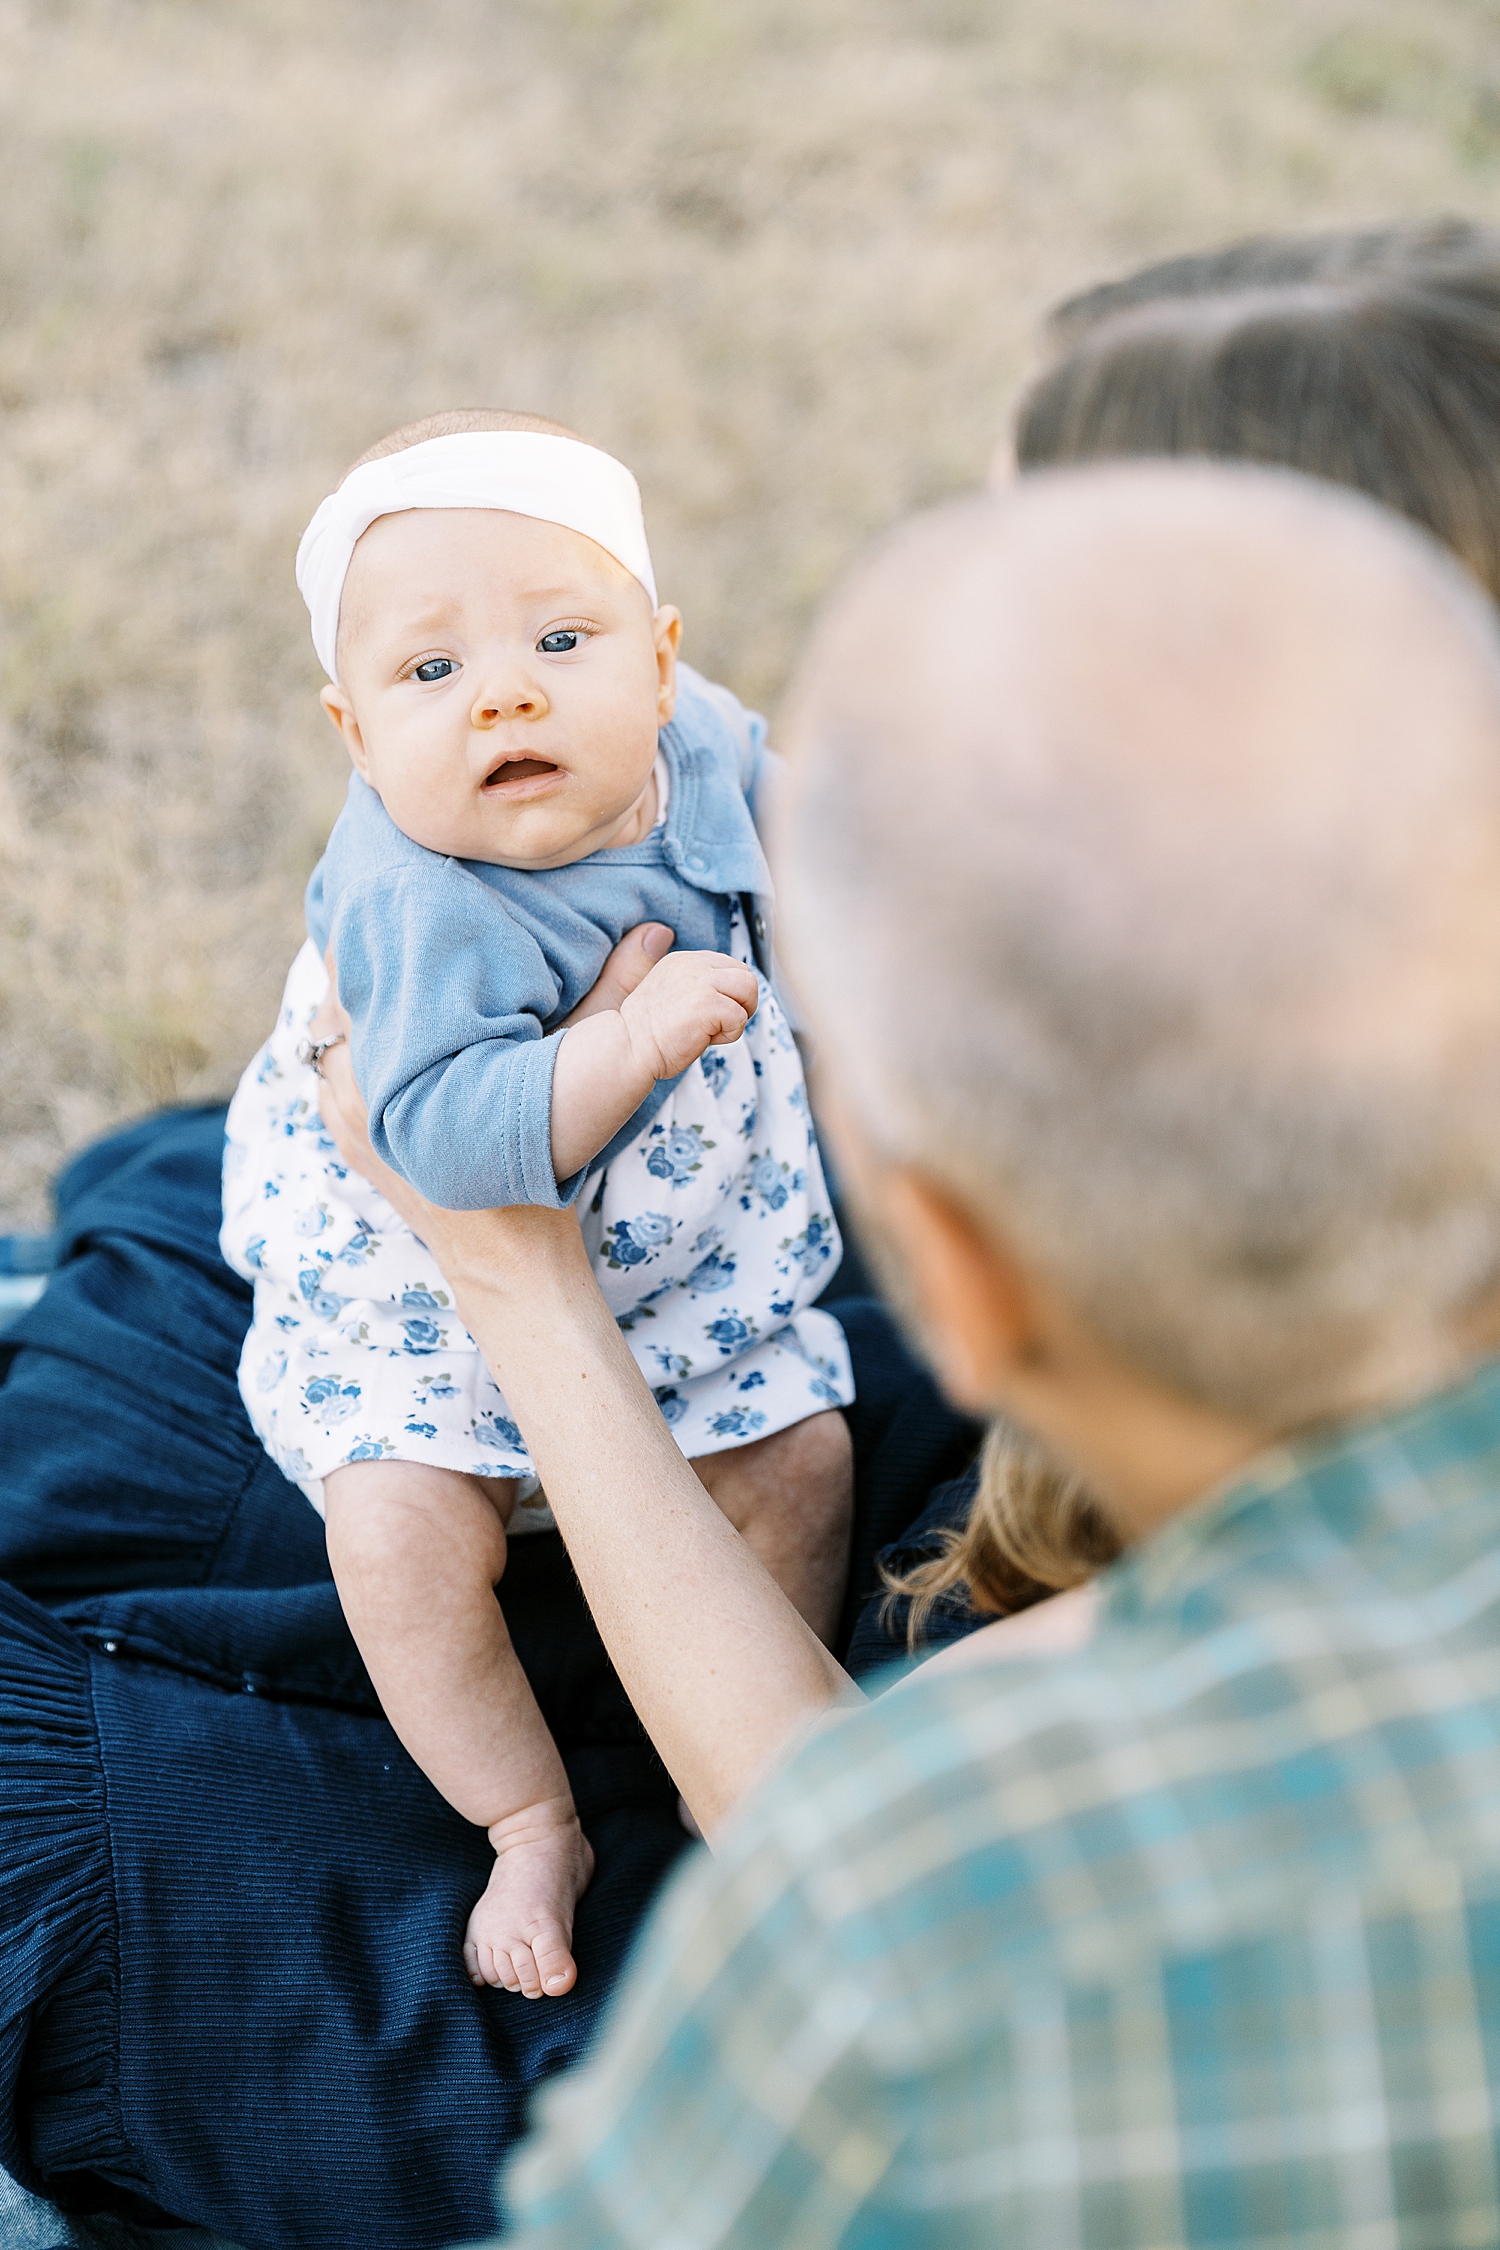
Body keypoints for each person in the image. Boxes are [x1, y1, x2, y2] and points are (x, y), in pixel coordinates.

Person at [308, 456, 1500, 2243]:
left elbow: (807, 1853)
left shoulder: (915, 1909)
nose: (505, 688)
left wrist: (518, 1284)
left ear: (947, 1265)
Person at [220, 408, 855, 1997]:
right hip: (429, 1291)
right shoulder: (419, 899)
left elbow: (794, 803)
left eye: (562, 637)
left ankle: (750, 1742)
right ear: (355, 734)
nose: (502, 687)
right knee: (395, 1536)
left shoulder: (697, 742)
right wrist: (630, 1041)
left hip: (681, 1260)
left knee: (805, 1459)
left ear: (660, 656)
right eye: (427, 674)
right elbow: (434, 1139)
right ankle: (527, 1810)